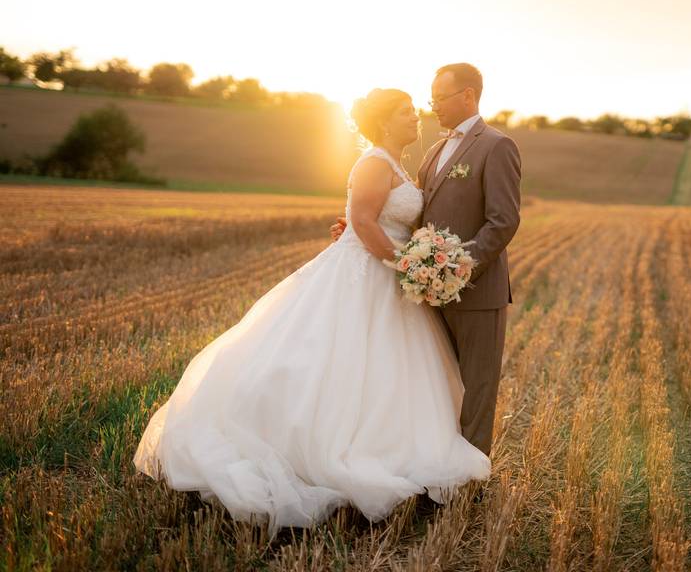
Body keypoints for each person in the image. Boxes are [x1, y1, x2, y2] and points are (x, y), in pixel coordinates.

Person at [133, 88, 490, 538]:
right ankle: (315, 455)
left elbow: (379, 218)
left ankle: (390, 447)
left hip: (387, 273)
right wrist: (406, 264)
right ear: (383, 122)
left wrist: (412, 256)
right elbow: (362, 222)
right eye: (405, 113)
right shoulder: (375, 162)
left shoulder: (396, 164)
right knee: (330, 360)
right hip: (364, 272)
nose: (414, 118)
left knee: (389, 370)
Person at [331, 63, 522, 456]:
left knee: (477, 388)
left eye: (439, 98)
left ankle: (469, 483)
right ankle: (437, 465)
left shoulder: (497, 145)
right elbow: (417, 216)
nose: (431, 105)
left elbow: (503, 221)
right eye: (430, 98)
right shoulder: (432, 151)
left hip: (476, 289)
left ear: (467, 96)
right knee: (437, 386)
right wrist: (356, 225)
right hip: (429, 289)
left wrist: (457, 268)